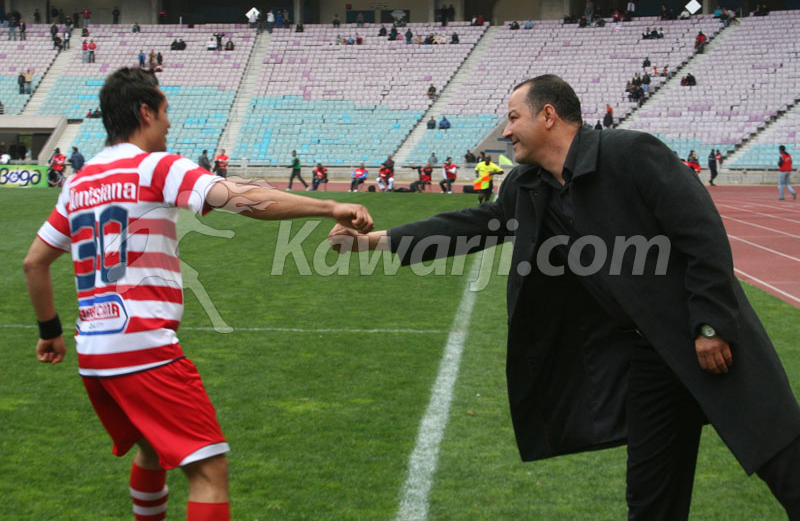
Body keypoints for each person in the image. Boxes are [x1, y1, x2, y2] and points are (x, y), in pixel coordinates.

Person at [329, 74, 800, 520]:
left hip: (708, 339)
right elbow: (474, 227)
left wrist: (711, 326)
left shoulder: (633, 154)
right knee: (651, 496)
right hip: (647, 360)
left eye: (513, 118)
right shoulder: (527, 186)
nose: (506, 130)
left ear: (548, 116)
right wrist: (375, 241)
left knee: (783, 462)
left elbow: (703, 237)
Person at [24, 67, 373, 521]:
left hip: (94, 351)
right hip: (143, 346)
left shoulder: (79, 181)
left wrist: (49, 331)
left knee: (151, 450)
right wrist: (330, 204)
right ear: (145, 111)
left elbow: (35, 261)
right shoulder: (156, 166)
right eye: (166, 112)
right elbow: (243, 198)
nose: (169, 124)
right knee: (209, 469)